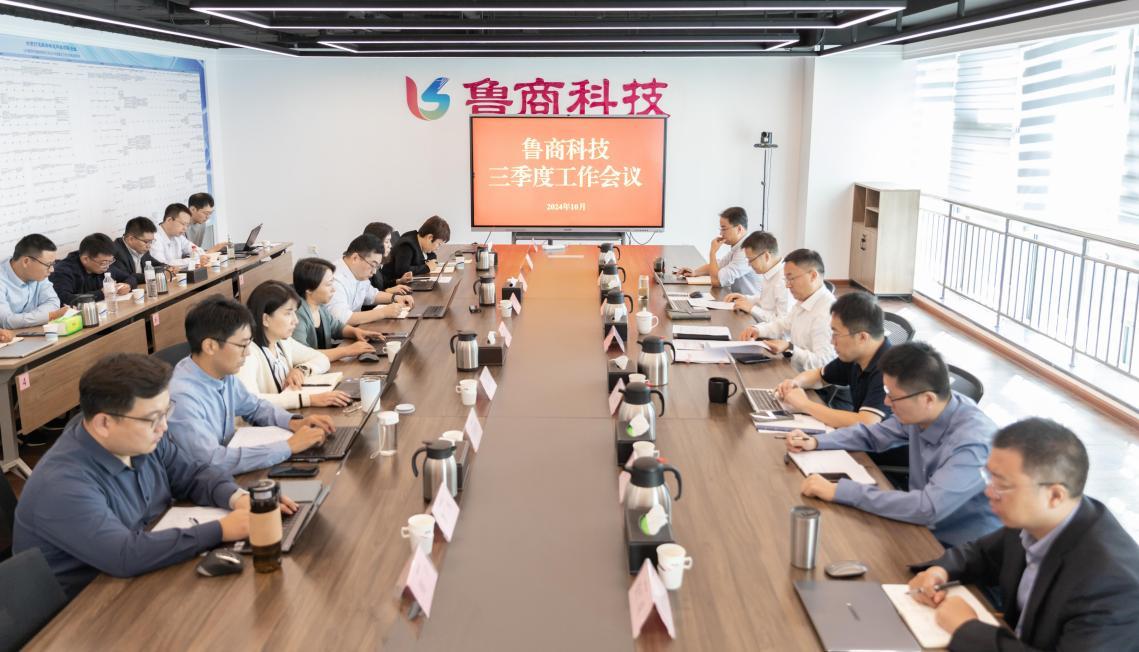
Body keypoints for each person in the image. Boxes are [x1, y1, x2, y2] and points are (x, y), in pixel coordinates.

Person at [11, 353, 296, 599]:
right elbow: (123, 554)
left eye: (165, 412)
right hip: (88, 611)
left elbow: (193, 473)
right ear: (104, 423)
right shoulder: (61, 484)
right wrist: (222, 529)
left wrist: (238, 498)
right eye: (153, 418)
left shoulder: (137, 438)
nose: (164, 427)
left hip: (145, 576)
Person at [908, 418, 1139, 650]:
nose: (989, 492)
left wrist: (966, 627)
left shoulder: (1113, 585)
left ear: (1055, 495)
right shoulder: (1039, 517)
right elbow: (981, 553)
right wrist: (940, 571)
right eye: (989, 476)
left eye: (1002, 485)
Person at [786, 341, 1002, 546]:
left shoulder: (973, 444)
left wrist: (840, 491)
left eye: (893, 396)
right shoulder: (926, 409)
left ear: (927, 399)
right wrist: (816, 441)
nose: (886, 402)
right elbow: (873, 434)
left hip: (957, 549)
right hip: (915, 525)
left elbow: (927, 508)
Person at [167, 297, 333, 475]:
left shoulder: (220, 372)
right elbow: (211, 461)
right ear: (210, 346)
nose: (247, 353)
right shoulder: (183, 398)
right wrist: (288, 446)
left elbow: (255, 407)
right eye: (242, 345)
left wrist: (294, 422)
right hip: (200, 483)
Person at [774, 291, 891, 428]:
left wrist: (805, 405)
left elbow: (867, 422)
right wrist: (795, 383)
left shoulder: (890, 369)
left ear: (862, 337)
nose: (832, 341)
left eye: (836, 334)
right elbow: (819, 376)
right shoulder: (856, 354)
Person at [238, 281, 351, 410]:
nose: (295, 321)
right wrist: (309, 399)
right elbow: (251, 401)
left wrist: (300, 370)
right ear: (265, 319)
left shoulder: (282, 342)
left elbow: (322, 359)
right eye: (288, 313)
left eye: (295, 313)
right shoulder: (247, 354)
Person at [742, 248, 836, 371]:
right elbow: (784, 324)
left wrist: (790, 348)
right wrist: (758, 330)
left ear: (813, 276)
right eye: (786, 279)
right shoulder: (805, 300)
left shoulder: (826, 313)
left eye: (791, 278)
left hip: (810, 381)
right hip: (795, 371)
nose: (787, 285)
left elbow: (824, 364)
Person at [291, 257, 385, 362]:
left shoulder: (319, 306)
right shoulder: (296, 316)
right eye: (328, 284)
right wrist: (347, 351)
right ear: (309, 289)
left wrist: (356, 332)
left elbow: (336, 327)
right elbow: (303, 355)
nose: (333, 289)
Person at [329, 234, 414, 326]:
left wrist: (396, 298)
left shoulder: (358, 272)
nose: (374, 272)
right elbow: (343, 318)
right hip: (340, 333)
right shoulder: (334, 279)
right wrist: (383, 312)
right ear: (355, 258)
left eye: (377, 267)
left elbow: (372, 295)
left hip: (355, 328)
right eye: (373, 265)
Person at [676, 207, 761, 294]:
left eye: (724, 229)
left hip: (749, 301)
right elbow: (719, 265)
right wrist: (695, 272)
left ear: (739, 229)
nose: (721, 233)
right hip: (738, 298)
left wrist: (712, 252)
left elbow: (717, 281)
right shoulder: (738, 246)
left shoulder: (746, 251)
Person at [0, 234, 67, 328]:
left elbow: (52, 302)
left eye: (53, 264)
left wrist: (23, 320)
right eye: (48, 265)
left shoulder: (39, 274)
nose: (52, 270)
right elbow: (6, 321)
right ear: (26, 261)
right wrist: (49, 316)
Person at [723, 230, 790, 323]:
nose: (749, 264)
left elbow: (784, 323)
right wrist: (745, 298)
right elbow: (766, 301)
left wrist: (752, 309)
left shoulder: (785, 280)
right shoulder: (770, 272)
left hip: (769, 331)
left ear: (766, 256)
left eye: (751, 260)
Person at [49, 233, 135, 305]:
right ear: (85, 259)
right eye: (104, 262)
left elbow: (130, 277)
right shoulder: (63, 271)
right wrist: (101, 293)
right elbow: (64, 299)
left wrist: (128, 285)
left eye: (110, 261)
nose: (107, 266)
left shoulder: (104, 264)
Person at [381, 215, 450, 282]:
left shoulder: (419, 240)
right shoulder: (407, 245)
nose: (438, 248)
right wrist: (427, 267)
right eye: (439, 244)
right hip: (391, 284)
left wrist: (430, 263)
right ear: (430, 237)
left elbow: (432, 256)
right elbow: (402, 271)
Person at [151, 203, 208, 269]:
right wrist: (195, 261)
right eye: (183, 224)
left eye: (187, 225)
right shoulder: (154, 238)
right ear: (169, 220)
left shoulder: (177, 236)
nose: (185, 229)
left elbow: (195, 249)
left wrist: (200, 257)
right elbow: (163, 264)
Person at [110, 217, 163, 283]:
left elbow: (156, 264)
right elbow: (127, 277)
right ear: (131, 239)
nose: (149, 246)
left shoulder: (142, 248)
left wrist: (167, 268)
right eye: (146, 241)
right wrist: (155, 274)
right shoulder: (115, 252)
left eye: (151, 241)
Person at [363, 221, 411, 294]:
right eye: (387, 241)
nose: (390, 246)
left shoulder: (376, 261)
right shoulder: (364, 267)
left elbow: (381, 284)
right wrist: (388, 291)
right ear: (375, 242)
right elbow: (366, 298)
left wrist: (399, 281)